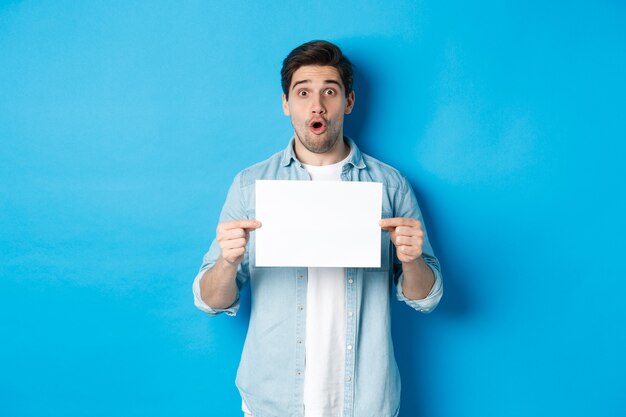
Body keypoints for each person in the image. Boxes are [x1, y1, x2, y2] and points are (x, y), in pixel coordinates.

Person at [192, 40, 443, 417]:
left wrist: (411, 261)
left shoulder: (391, 186)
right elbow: (210, 301)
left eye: (330, 91)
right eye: (303, 92)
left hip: (365, 402)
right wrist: (227, 263)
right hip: (272, 402)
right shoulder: (249, 185)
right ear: (286, 104)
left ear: (349, 102)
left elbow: (427, 297)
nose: (317, 104)